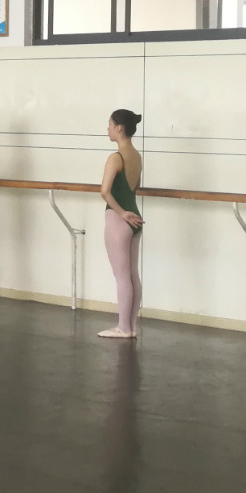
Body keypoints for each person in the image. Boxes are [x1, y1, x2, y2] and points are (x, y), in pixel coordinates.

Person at [97, 109, 145, 338]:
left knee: (122, 276)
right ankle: (131, 326)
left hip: (120, 220)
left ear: (119, 128)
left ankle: (123, 327)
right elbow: (134, 187)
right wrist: (128, 213)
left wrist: (122, 214)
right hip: (136, 218)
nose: (107, 128)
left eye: (109, 124)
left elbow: (105, 192)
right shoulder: (136, 156)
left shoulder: (115, 158)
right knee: (133, 274)